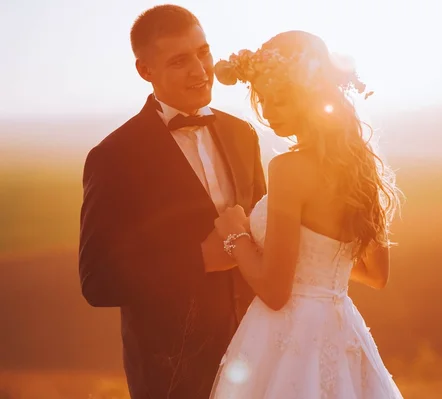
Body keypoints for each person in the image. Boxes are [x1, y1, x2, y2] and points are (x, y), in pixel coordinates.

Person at [77, 5, 266, 398]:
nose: (200, 69)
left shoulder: (243, 134)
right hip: (172, 370)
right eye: (180, 61)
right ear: (145, 71)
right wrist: (201, 258)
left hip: (256, 351)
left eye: (203, 52)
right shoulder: (113, 156)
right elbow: (98, 281)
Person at [209, 30, 404, 398]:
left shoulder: (287, 168)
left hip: (288, 336)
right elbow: (376, 274)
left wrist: (236, 235)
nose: (268, 111)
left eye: (280, 99)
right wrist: (320, 269)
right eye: (263, 98)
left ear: (310, 95)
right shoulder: (359, 169)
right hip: (341, 328)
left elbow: (274, 292)